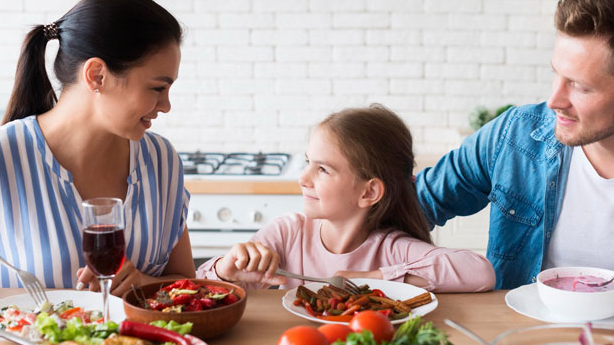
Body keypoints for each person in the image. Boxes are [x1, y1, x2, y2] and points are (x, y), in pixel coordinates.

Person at [415, 0, 614, 308]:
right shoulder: (514, 135)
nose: (554, 100)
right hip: (524, 343)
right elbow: (414, 203)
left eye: (580, 86)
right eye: (556, 74)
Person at [0, 0, 196, 295]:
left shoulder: (162, 161)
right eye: (156, 88)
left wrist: (142, 284)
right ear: (97, 75)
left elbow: (185, 286)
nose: (166, 105)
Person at [198, 105, 495, 292]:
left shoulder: (391, 249)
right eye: (307, 162)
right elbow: (200, 285)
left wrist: (371, 278)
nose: (303, 178)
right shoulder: (287, 234)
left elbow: (480, 273)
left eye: (323, 169)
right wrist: (226, 269)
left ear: (369, 192)